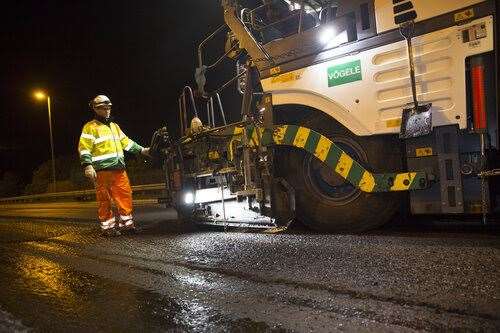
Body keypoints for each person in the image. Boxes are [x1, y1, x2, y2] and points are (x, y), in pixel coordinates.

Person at [78, 95, 150, 236]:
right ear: (95, 109)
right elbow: (84, 148)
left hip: (119, 169)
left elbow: (126, 142)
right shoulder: (90, 127)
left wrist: (142, 150)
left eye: (108, 107)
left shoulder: (114, 126)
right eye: (103, 108)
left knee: (125, 196)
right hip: (101, 170)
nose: (107, 110)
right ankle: (108, 228)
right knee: (105, 200)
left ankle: (127, 225)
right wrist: (87, 165)